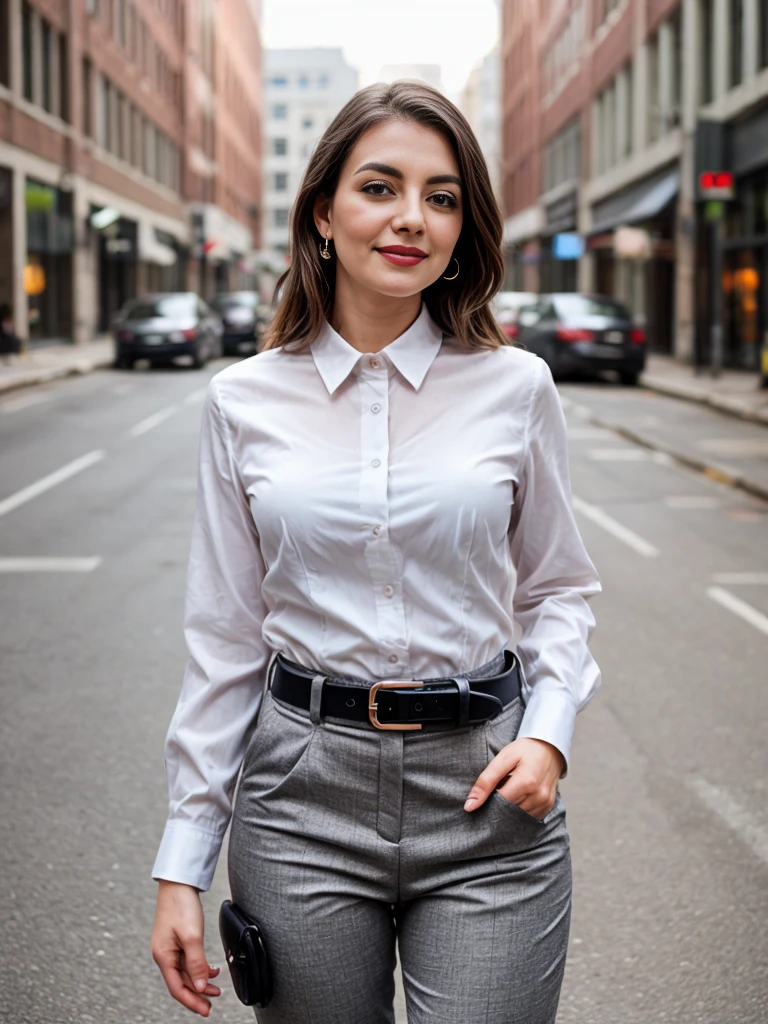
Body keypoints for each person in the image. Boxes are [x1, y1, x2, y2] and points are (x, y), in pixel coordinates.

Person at [150, 81, 601, 1024]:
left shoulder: (517, 386)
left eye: (442, 197)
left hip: (487, 791)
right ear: (323, 211)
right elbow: (226, 637)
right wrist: (182, 864)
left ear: (463, 226)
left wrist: (549, 730)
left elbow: (560, 588)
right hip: (302, 796)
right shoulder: (243, 402)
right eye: (380, 187)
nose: (411, 219)